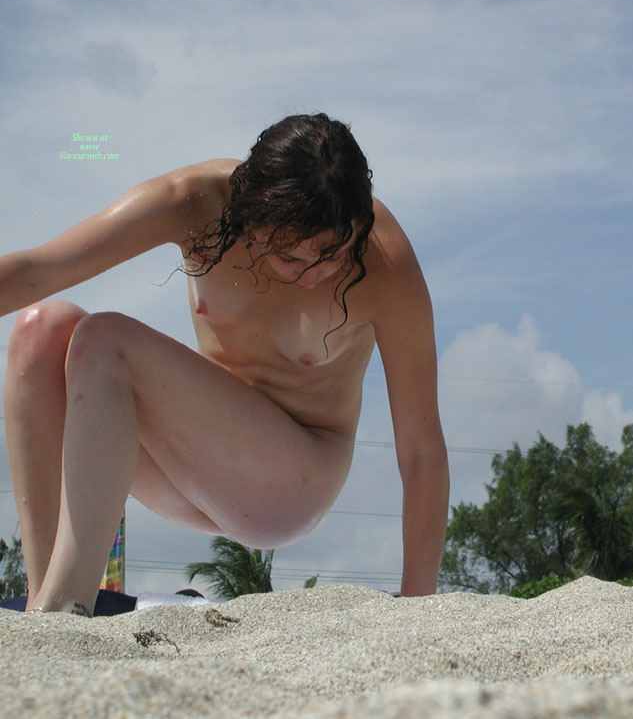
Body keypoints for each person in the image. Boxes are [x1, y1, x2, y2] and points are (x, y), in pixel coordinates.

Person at [1, 113, 449, 616]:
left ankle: (66, 606)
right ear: (249, 217)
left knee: (106, 341)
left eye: (332, 256)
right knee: (40, 329)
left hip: (291, 484)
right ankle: (43, 606)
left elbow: (422, 452)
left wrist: (418, 611)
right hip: (191, 468)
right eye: (289, 257)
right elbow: (36, 270)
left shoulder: (384, 261)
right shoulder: (194, 202)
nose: (312, 276)